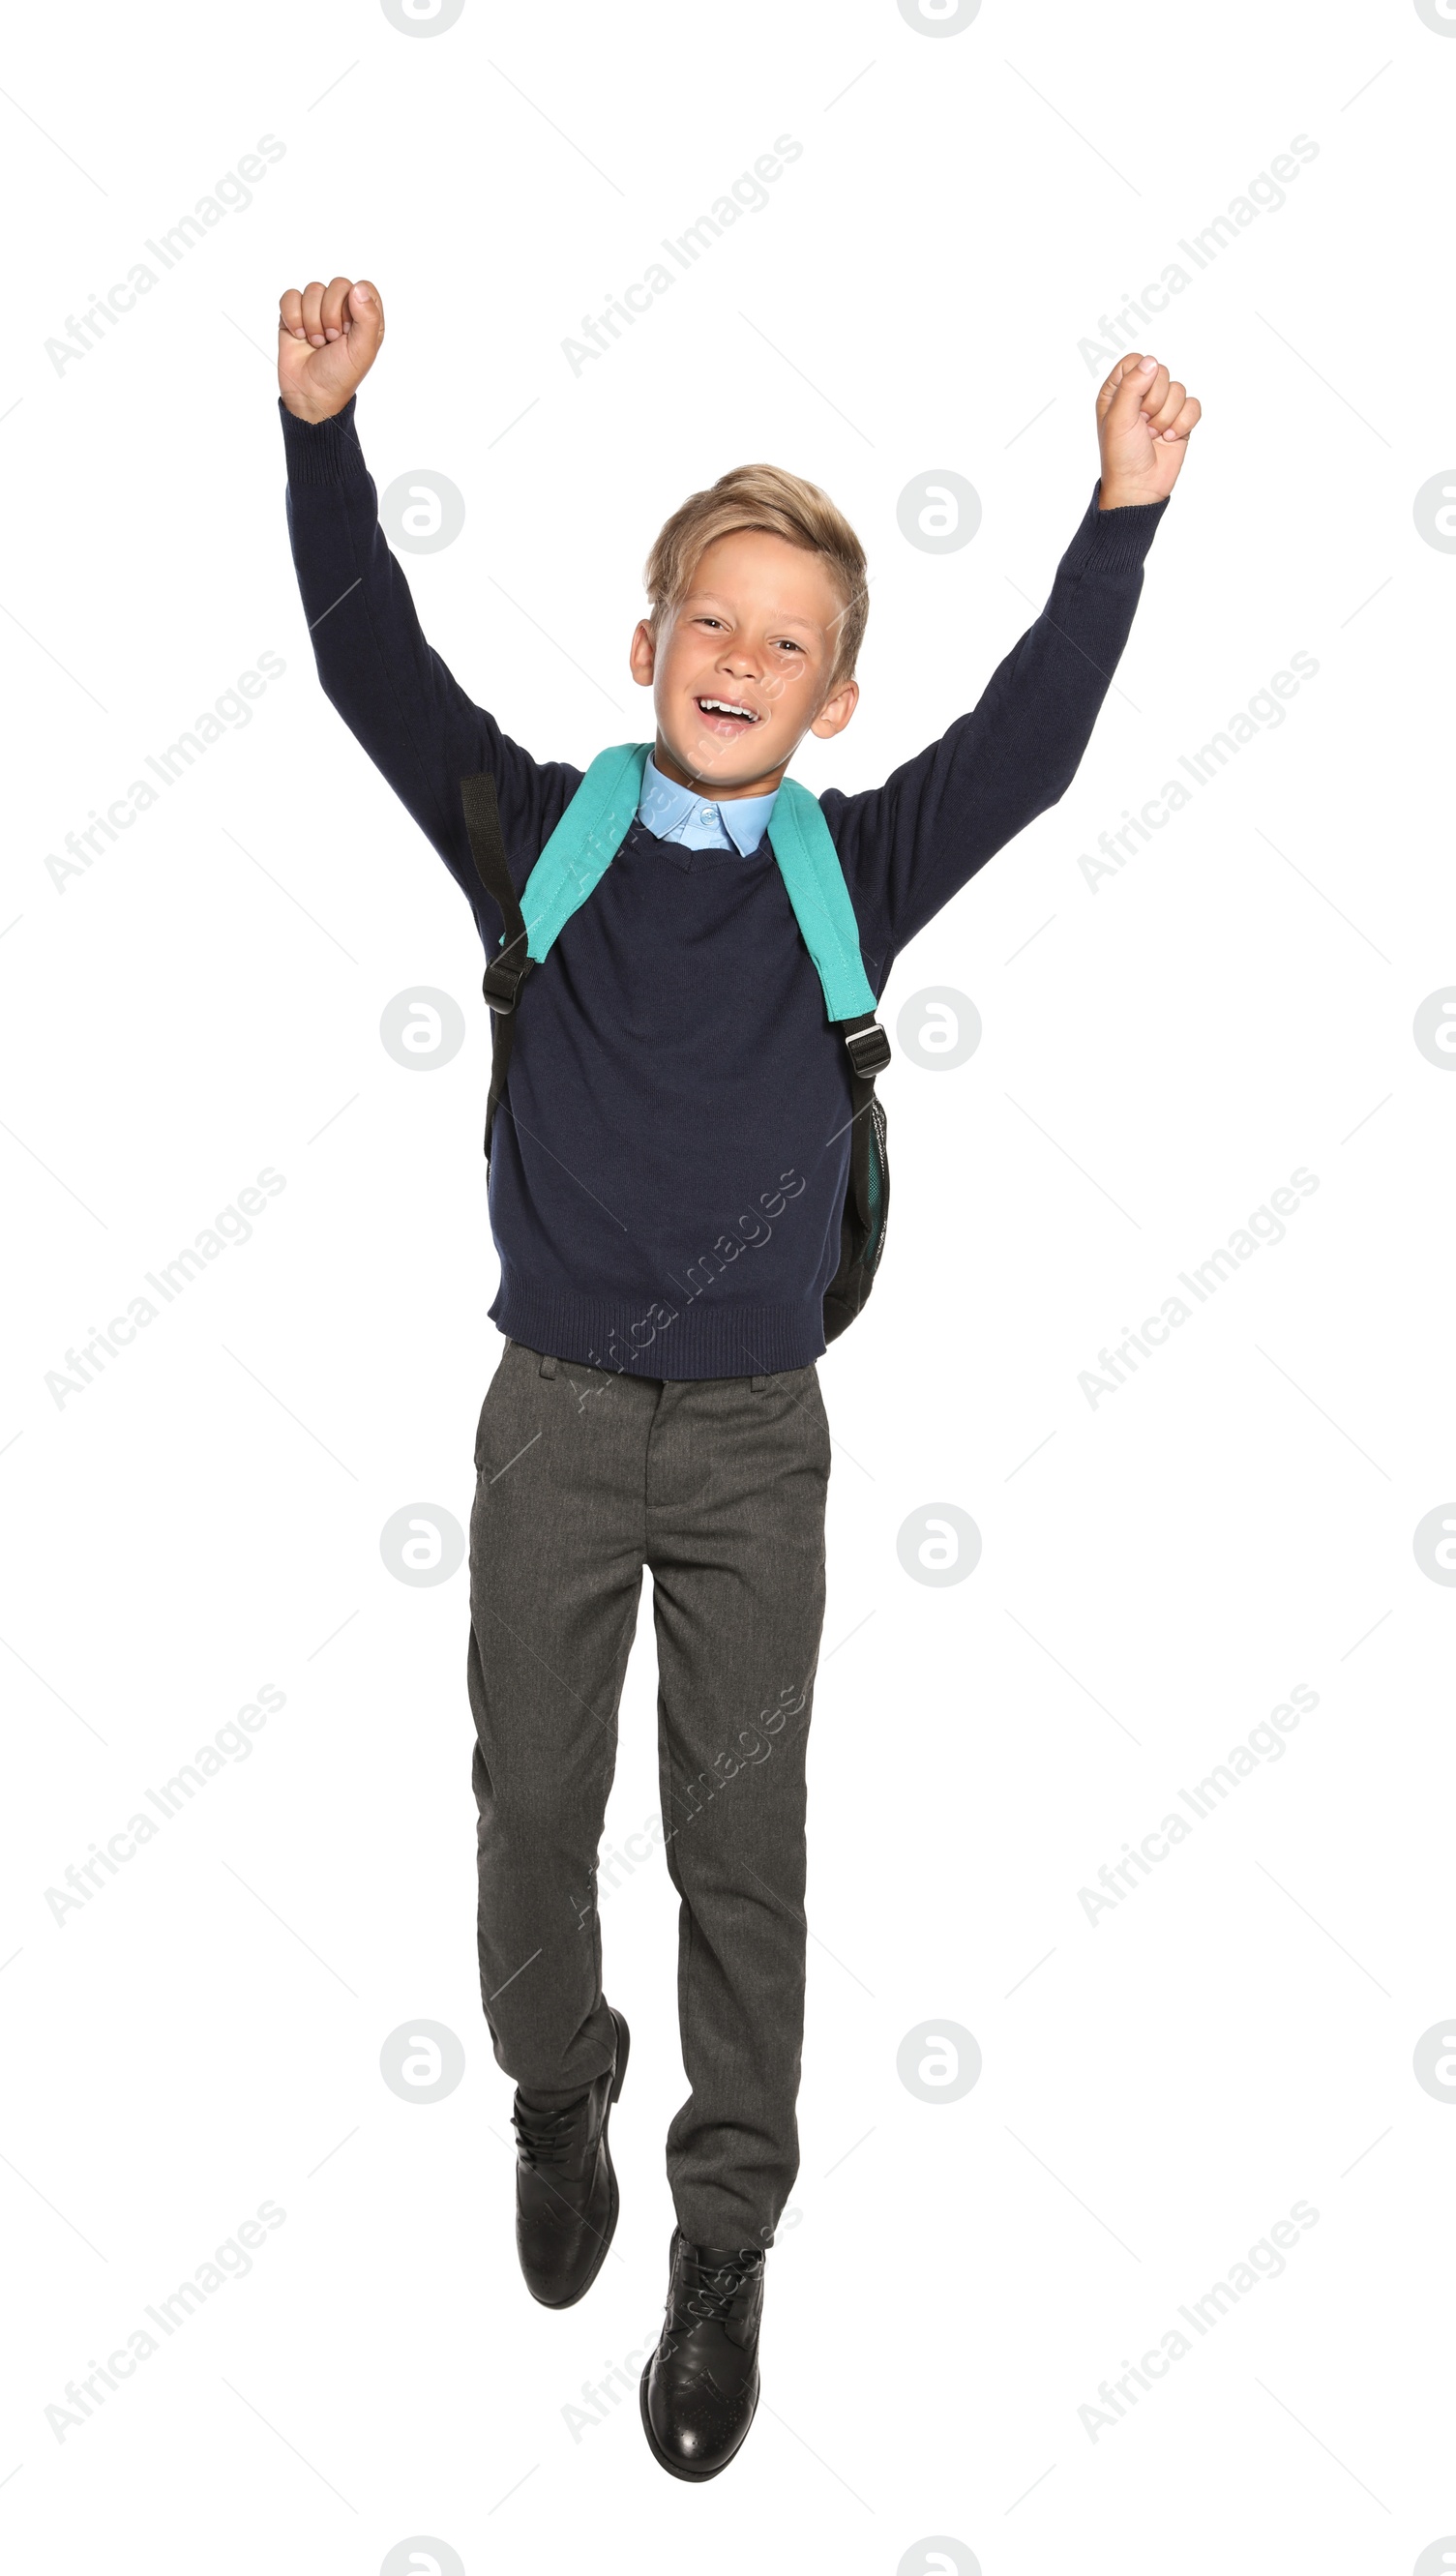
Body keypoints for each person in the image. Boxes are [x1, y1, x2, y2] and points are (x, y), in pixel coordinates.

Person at [276, 273, 1198, 2479]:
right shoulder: (540, 837)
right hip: (555, 1422)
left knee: (737, 1841)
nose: (739, 660)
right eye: (711, 617)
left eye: (788, 641)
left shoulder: (847, 868)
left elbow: (1036, 743)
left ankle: (720, 2236)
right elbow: (364, 663)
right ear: (647, 641)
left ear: (832, 693)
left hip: (759, 1445)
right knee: (528, 1818)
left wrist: (1119, 512)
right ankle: (556, 2080)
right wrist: (318, 434)